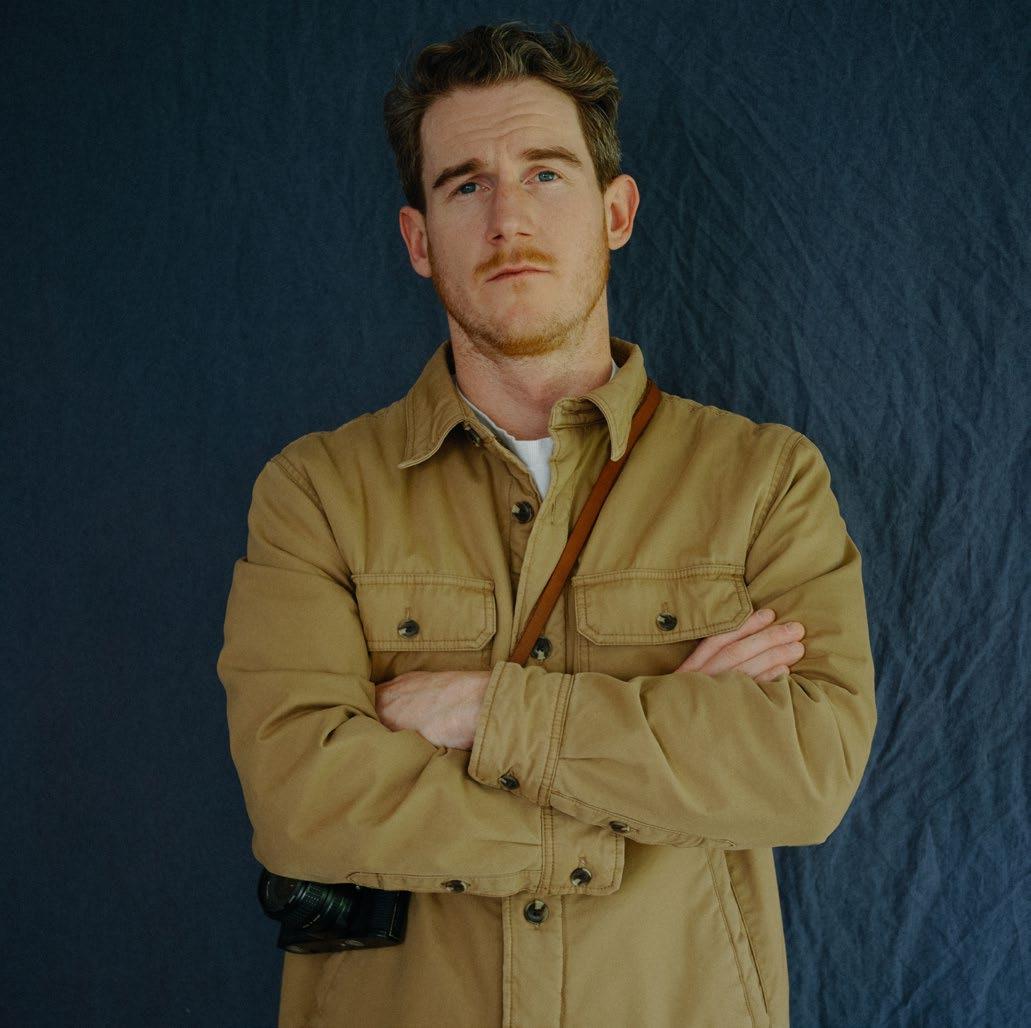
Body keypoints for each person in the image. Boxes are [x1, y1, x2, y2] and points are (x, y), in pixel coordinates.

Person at [216, 20, 877, 1028]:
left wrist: (486, 709)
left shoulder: (762, 481)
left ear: (615, 212)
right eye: (465, 185)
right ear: (417, 239)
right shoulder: (315, 492)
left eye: (544, 173)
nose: (507, 217)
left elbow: (805, 770)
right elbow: (301, 796)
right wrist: (639, 781)